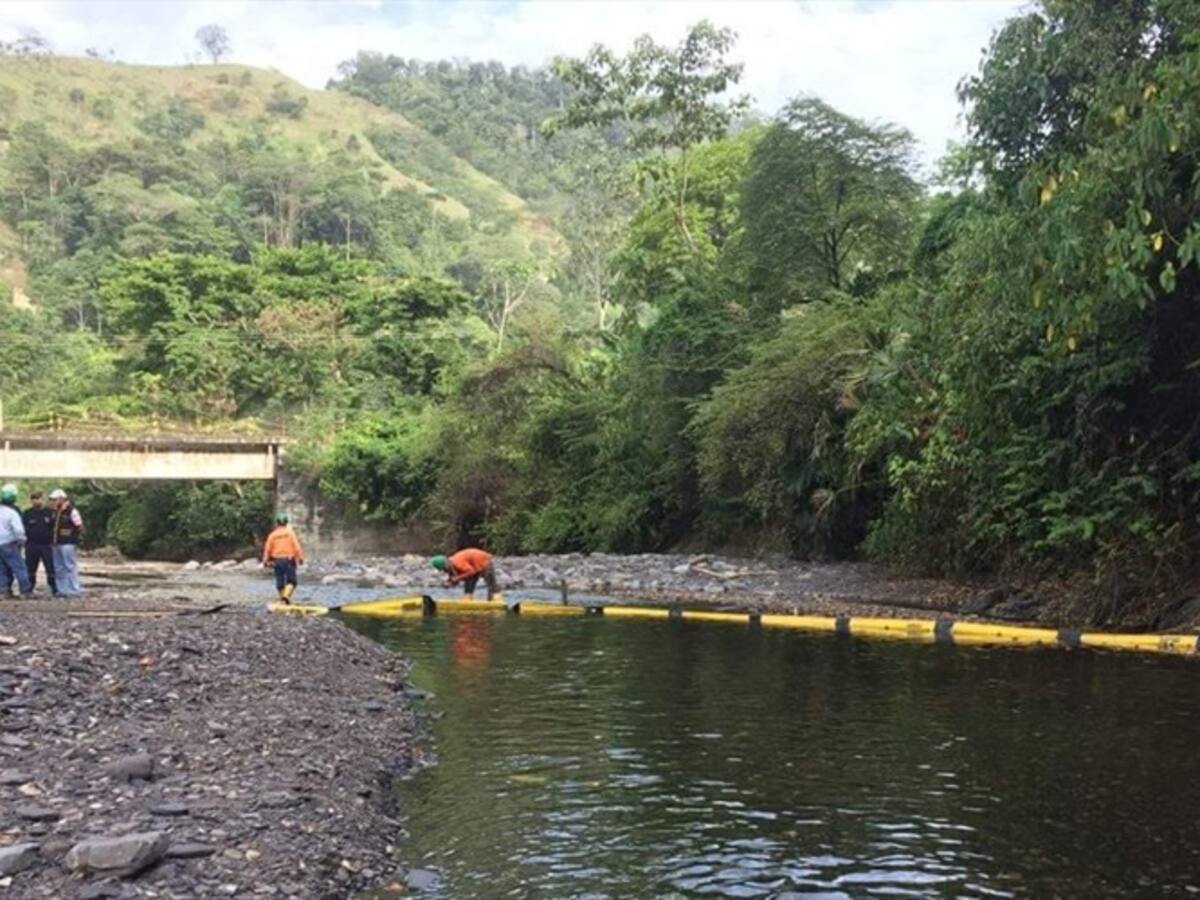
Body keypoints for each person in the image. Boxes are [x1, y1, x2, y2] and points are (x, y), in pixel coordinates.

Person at [262, 511, 304, 604]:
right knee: (292, 581)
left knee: (280, 583)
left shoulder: (272, 535)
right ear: (286, 522)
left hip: (277, 561)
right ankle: (285, 597)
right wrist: (300, 558)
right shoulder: (290, 533)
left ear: (277, 523)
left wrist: (265, 561)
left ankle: (283, 601)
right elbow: (297, 546)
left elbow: (267, 549)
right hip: (289, 560)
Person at [49, 488, 84, 598]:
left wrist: (74, 538)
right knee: (58, 567)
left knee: (70, 566)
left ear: (61, 499)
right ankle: (62, 590)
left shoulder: (72, 511)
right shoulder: (54, 512)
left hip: (68, 543)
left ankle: (74, 590)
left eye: (55, 499)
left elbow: (79, 526)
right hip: (56, 543)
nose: (53, 501)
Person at [22, 490, 56, 596]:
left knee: (50, 568)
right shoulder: (27, 513)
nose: (36, 501)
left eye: (38, 498)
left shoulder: (49, 512)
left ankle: (53, 588)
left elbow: (55, 527)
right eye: (34, 499)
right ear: (31, 501)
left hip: (47, 545)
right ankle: (29, 588)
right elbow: (22, 529)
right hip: (31, 545)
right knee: (30, 568)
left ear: (43, 499)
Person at [431, 547, 498, 600]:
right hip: (474, 567)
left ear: (445, 564)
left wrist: (457, 578)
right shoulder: (451, 566)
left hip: (484, 562)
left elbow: (471, 571)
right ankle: (468, 597)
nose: (444, 571)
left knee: (491, 585)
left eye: (443, 569)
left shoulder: (457, 562)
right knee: (469, 579)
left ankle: (496, 598)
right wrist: (450, 583)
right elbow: (457, 579)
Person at [0, 484, 31, 598]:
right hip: (9, 544)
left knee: (1, 569)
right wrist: (22, 540)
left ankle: (3, 591)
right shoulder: (12, 513)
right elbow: (18, 530)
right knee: (19, 567)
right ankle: (25, 591)